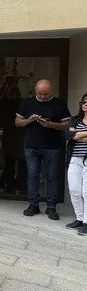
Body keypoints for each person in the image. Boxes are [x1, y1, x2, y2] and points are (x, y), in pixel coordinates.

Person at [16, 79, 70, 219]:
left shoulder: (59, 104)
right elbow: (18, 122)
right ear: (35, 90)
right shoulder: (27, 103)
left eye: (45, 94)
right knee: (33, 176)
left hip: (53, 146)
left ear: (51, 90)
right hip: (31, 145)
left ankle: (51, 207)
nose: (42, 96)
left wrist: (50, 124)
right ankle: (33, 205)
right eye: (39, 93)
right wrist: (29, 120)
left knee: (51, 177)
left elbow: (66, 125)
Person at [66, 94, 87, 235]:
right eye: (84, 101)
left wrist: (78, 134)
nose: (85, 104)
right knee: (74, 190)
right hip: (74, 159)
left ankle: (86, 222)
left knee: (86, 192)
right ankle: (79, 218)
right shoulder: (75, 119)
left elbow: (75, 136)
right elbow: (69, 136)